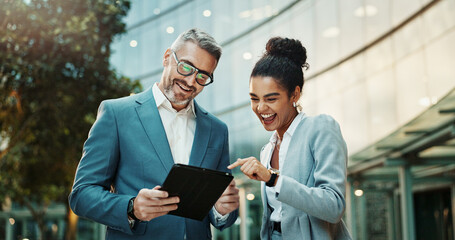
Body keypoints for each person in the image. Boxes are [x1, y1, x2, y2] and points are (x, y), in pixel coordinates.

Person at [69, 28, 239, 240]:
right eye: (186, 66)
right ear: (167, 57)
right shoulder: (117, 114)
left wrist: (222, 209)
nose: (191, 81)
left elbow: (221, 213)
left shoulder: (217, 130)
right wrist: (131, 208)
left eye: (202, 76)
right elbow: (81, 195)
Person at [228, 37, 352, 240]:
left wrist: (273, 179)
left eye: (271, 99)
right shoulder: (267, 150)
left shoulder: (320, 128)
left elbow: (334, 206)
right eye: (254, 99)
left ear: (295, 95)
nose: (260, 108)